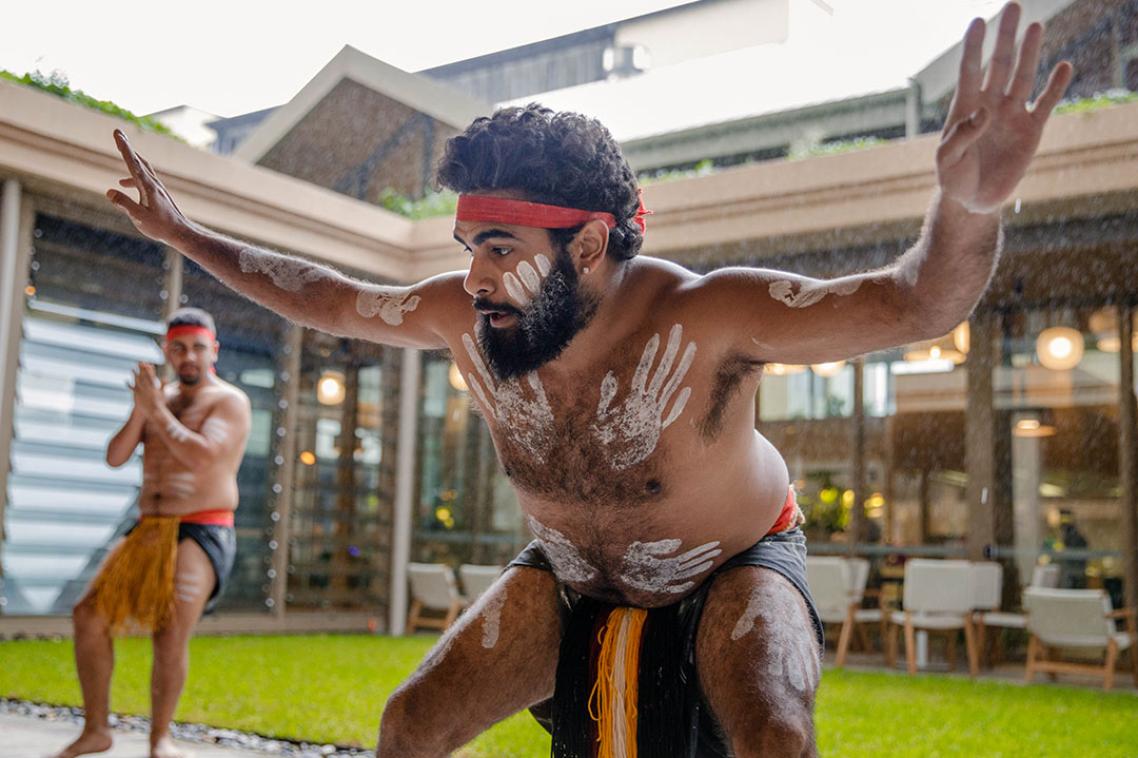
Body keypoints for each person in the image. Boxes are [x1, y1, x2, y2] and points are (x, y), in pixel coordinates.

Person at [104, 4, 1070, 755]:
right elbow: (330, 296)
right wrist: (188, 235)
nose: (475, 275)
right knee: (407, 729)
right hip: (568, 575)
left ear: (593, 242)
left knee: (774, 736)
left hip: (729, 568)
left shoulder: (708, 315)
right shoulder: (463, 314)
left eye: (500, 247)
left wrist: (969, 206)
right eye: (466, 247)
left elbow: (913, 304)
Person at [51, 308, 252, 758]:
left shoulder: (229, 401)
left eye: (198, 347)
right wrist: (141, 408)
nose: (189, 357)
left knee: (169, 629)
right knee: (89, 616)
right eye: (179, 347)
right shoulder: (156, 396)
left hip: (202, 527)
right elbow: (116, 456)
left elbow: (202, 458)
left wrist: (155, 409)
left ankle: (160, 738)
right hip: (148, 527)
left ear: (213, 350)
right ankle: (96, 730)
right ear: (167, 350)